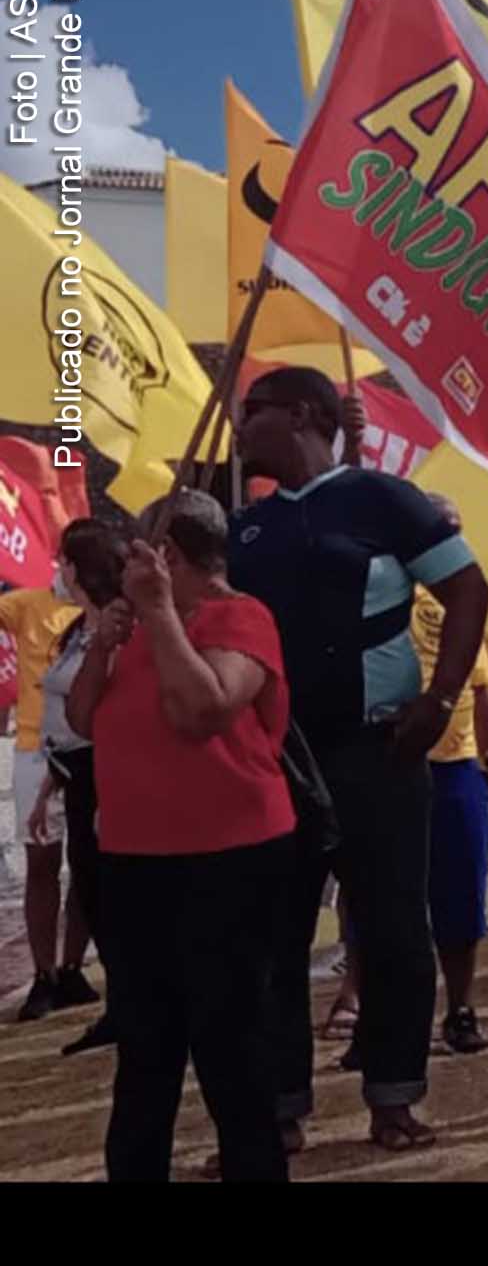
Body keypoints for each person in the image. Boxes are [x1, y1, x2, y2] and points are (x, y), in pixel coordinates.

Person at [231, 364, 488, 1154]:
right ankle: (279, 1111)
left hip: (378, 748)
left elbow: (470, 590)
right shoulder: (250, 529)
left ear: (306, 415)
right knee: (274, 935)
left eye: (256, 412)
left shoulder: (383, 499)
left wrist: (440, 699)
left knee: (391, 928)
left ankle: (395, 1098)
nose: (241, 428)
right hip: (280, 757)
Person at [66, 491, 294, 1181]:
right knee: (145, 1048)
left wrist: (162, 614)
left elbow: (203, 710)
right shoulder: (131, 628)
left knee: (230, 1045)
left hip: (229, 857)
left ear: (166, 556)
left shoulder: (241, 617)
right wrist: (103, 645)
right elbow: (80, 720)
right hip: (138, 860)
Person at [412, 493, 488, 1055]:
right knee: (395, 902)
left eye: (456, 530)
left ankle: (461, 1011)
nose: (450, 539)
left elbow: (481, 687)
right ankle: (392, 1021)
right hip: (401, 768)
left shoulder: (465, 598)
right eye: (440, 530)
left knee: (462, 897)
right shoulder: (390, 590)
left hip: (458, 771)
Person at [39, 521, 130, 1057]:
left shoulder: (117, 630)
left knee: (112, 893)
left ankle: (135, 1003)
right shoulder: (78, 629)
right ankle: (121, 1005)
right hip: (71, 772)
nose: (57, 570)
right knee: (93, 892)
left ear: (78, 567)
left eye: (62, 561)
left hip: (105, 771)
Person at [1, 571, 98, 1021]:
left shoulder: (101, 615)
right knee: (41, 862)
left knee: (86, 863)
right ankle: (44, 975)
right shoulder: (26, 604)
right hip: (34, 751)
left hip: (85, 753)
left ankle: (72, 966)